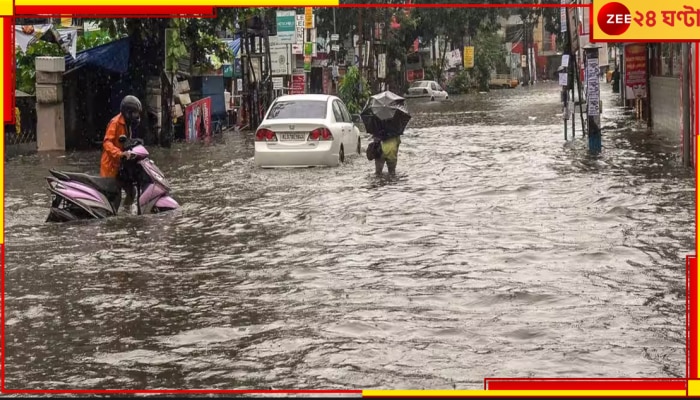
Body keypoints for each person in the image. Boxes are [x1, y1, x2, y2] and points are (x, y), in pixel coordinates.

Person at [100, 95, 143, 214]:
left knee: (131, 191)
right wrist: (120, 154)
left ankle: (125, 213)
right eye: (135, 113)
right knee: (116, 196)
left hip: (121, 166)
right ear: (128, 112)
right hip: (110, 167)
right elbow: (107, 143)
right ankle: (113, 219)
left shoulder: (127, 124)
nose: (137, 116)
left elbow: (124, 142)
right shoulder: (115, 122)